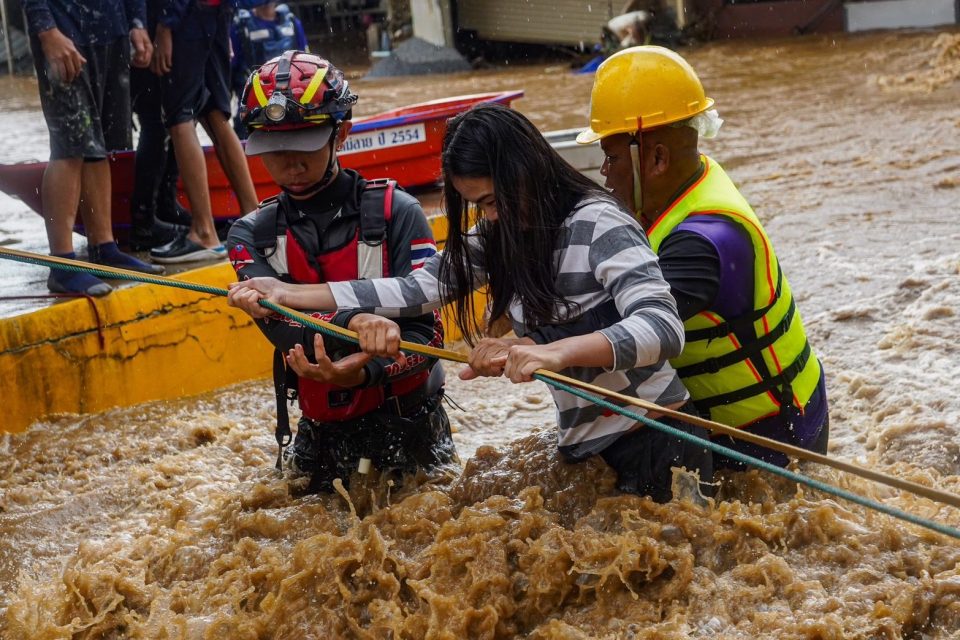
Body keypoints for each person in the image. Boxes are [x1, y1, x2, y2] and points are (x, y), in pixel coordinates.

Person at [229, 102, 715, 503]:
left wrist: (552, 352)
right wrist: (289, 293)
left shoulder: (598, 223)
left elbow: (662, 328)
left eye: (492, 200)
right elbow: (418, 288)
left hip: (658, 443)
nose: (490, 215)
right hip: (589, 450)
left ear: (525, 171)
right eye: (480, 205)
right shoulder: (506, 230)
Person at [574, 46, 829, 468]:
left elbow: (617, 326)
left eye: (612, 156)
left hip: (771, 434)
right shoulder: (686, 181)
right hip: (755, 416)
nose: (604, 172)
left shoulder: (702, 243)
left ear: (656, 158)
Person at [225, 51, 457, 492]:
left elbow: (432, 337)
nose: (290, 165)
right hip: (319, 435)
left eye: (305, 148)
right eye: (275, 151)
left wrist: (366, 372)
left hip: (410, 427)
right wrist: (360, 322)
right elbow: (285, 330)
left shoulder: (397, 213)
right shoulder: (249, 234)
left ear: (342, 133)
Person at [24, 0, 165, 295]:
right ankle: (62, 264)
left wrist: (137, 23)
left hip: (111, 27)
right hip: (63, 27)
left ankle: (104, 247)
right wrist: (46, 30)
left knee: (99, 143)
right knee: (70, 143)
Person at [149, 0, 259, 263]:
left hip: (184, 16)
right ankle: (253, 218)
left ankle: (203, 232)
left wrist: (165, 23)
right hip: (217, 11)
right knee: (214, 113)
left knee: (179, 117)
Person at [129, 0, 189, 251]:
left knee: (175, 117)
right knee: (156, 121)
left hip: (171, 22)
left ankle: (166, 205)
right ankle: (144, 220)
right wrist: (152, 26)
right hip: (149, 24)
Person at [229, 1, 308, 139]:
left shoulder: (292, 22)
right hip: (253, 109)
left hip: (293, 106)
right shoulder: (239, 26)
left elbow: (307, 66)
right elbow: (228, 72)